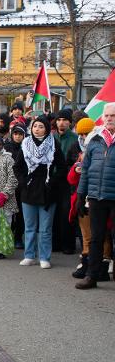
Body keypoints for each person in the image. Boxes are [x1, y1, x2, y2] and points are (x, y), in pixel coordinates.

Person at [13, 115, 67, 269]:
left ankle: (44, 257)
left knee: (45, 228)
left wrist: (53, 181)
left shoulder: (53, 143)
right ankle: (29, 255)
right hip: (29, 188)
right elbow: (17, 167)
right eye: (35, 126)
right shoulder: (26, 143)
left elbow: (62, 167)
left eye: (41, 126)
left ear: (47, 129)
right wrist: (23, 182)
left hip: (48, 189)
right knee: (29, 226)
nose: (37, 129)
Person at [75, 103, 115, 289]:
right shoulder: (96, 140)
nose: (108, 118)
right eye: (106, 115)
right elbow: (86, 170)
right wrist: (81, 194)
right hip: (96, 196)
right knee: (96, 237)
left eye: (113, 115)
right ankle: (92, 275)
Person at [68, 119, 110, 281]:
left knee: (103, 235)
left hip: (101, 197)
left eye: (87, 133)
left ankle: (103, 267)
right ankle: (87, 264)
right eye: (81, 134)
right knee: (87, 234)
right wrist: (76, 169)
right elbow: (71, 179)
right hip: (84, 199)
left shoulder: (103, 148)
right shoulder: (79, 152)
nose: (84, 137)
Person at [52, 108, 78, 255]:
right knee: (54, 213)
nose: (61, 123)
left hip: (68, 181)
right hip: (53, 180)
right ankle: (55, 243)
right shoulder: (52, 137)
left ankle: (68, 244)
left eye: (65, 120)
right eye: (59, 120)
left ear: (70, 122)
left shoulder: (74, 139)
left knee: (66, 212)